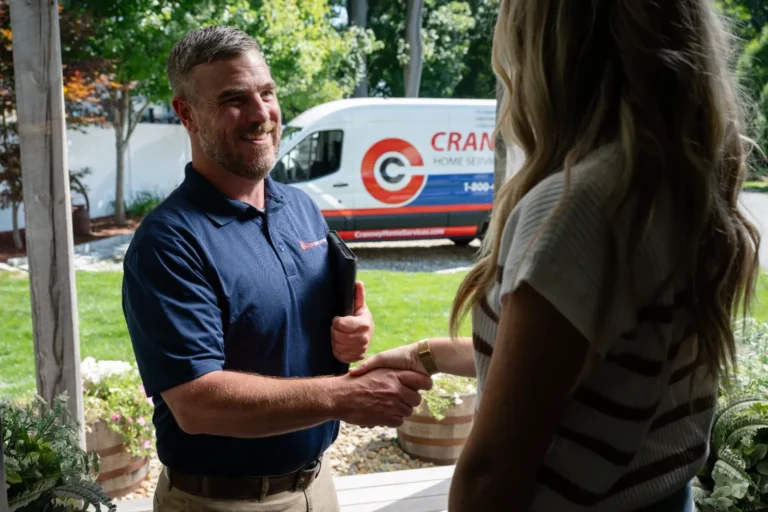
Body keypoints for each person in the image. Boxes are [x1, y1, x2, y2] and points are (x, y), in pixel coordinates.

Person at [351, 0, 761, 510]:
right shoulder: (679, 177)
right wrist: (424, 355)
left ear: (551, 44)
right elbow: (577, 363)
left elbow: (492, 474)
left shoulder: (580, 206)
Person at [121, 26, 432, 512]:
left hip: (318, 485)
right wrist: (343, 395)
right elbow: (197, 403)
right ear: (186, 114)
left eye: (266, 92)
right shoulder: (169, 242)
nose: (261, 114)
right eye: (233, 99)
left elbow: (308, 327)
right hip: (222, 502)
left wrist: (350, 336)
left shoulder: (302, 208)